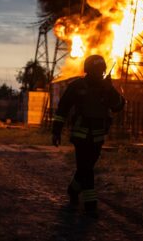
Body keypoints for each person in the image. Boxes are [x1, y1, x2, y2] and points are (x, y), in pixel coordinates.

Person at [51, 55, 125, 216]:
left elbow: (119, 106)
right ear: (88, 70)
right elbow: (62, 109)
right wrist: (56, 131)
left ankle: (73, 190)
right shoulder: (76, 86)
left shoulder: (106, 87)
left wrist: (110, 90)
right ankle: (90, 204)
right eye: (96, 70)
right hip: (80, 136)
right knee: (87, 169)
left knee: (86, 168)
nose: (99, 73)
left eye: (101, 70)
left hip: (97, 137)